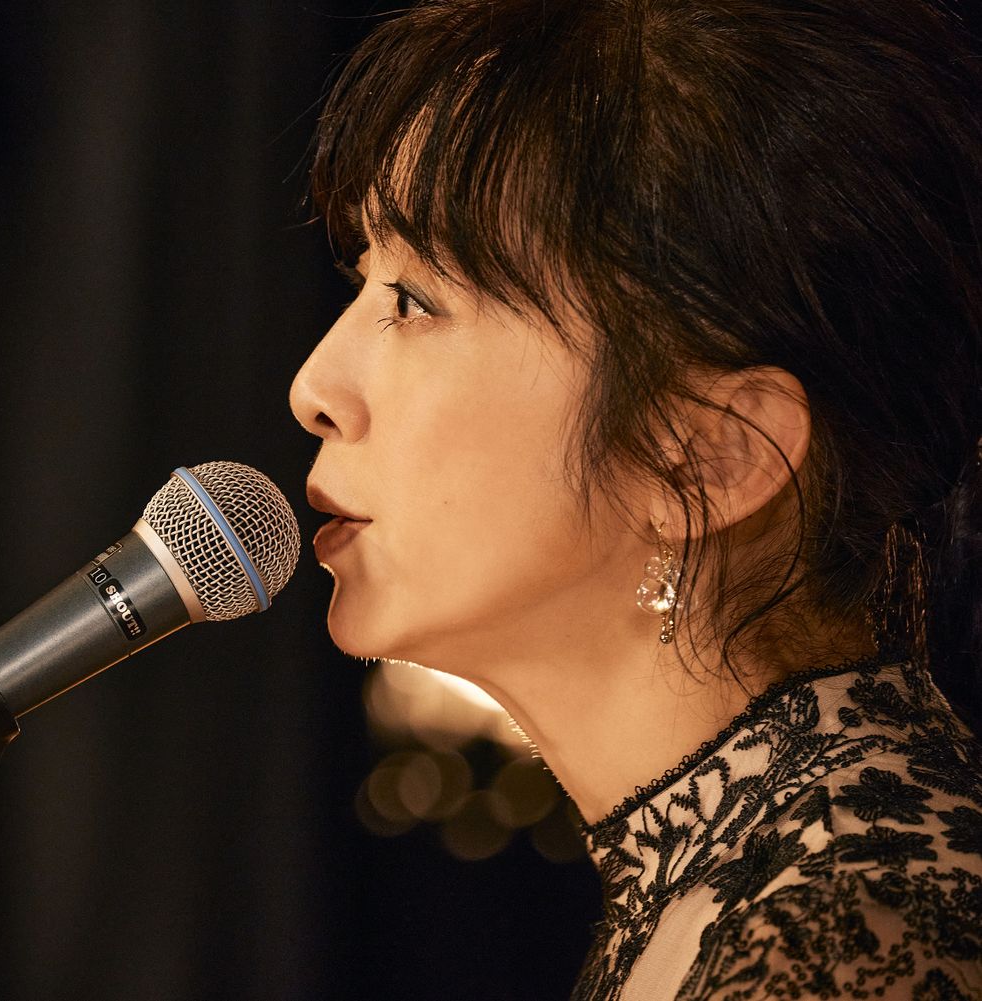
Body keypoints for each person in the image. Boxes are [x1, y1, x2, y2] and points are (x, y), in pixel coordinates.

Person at [288, 1, 982, 998]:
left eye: (414, 301)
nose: (314, 386)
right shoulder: (749, 877)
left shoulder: (852, 939)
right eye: (366, 278)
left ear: (709, 456)